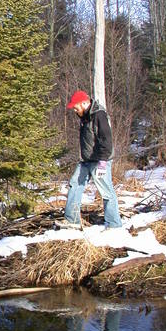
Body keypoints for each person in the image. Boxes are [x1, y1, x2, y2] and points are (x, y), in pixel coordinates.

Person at [57, 90, 122, 230]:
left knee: (106, 191)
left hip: (99, 160)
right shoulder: (85, 116)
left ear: (84, 103)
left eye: (76, 106)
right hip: (86, 160)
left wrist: (103, 162)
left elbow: (106, 140)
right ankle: (72, 220)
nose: (74, 109)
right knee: (75, 184)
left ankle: (114, 225)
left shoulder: (99, 115)